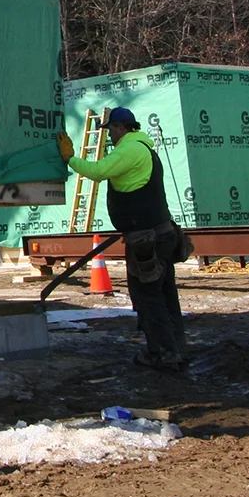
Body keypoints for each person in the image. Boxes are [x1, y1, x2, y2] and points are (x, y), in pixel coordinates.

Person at [57, 106, 187, 371]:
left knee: (149, 297)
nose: (109, 136)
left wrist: (70, 158)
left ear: (121, 128)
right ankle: (175, 348)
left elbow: (98, 171)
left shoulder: (130, 149)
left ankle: (164, 354)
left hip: (146, 239)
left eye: (111, 130)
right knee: (164, 294)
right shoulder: (143, 148)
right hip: (158, 235)